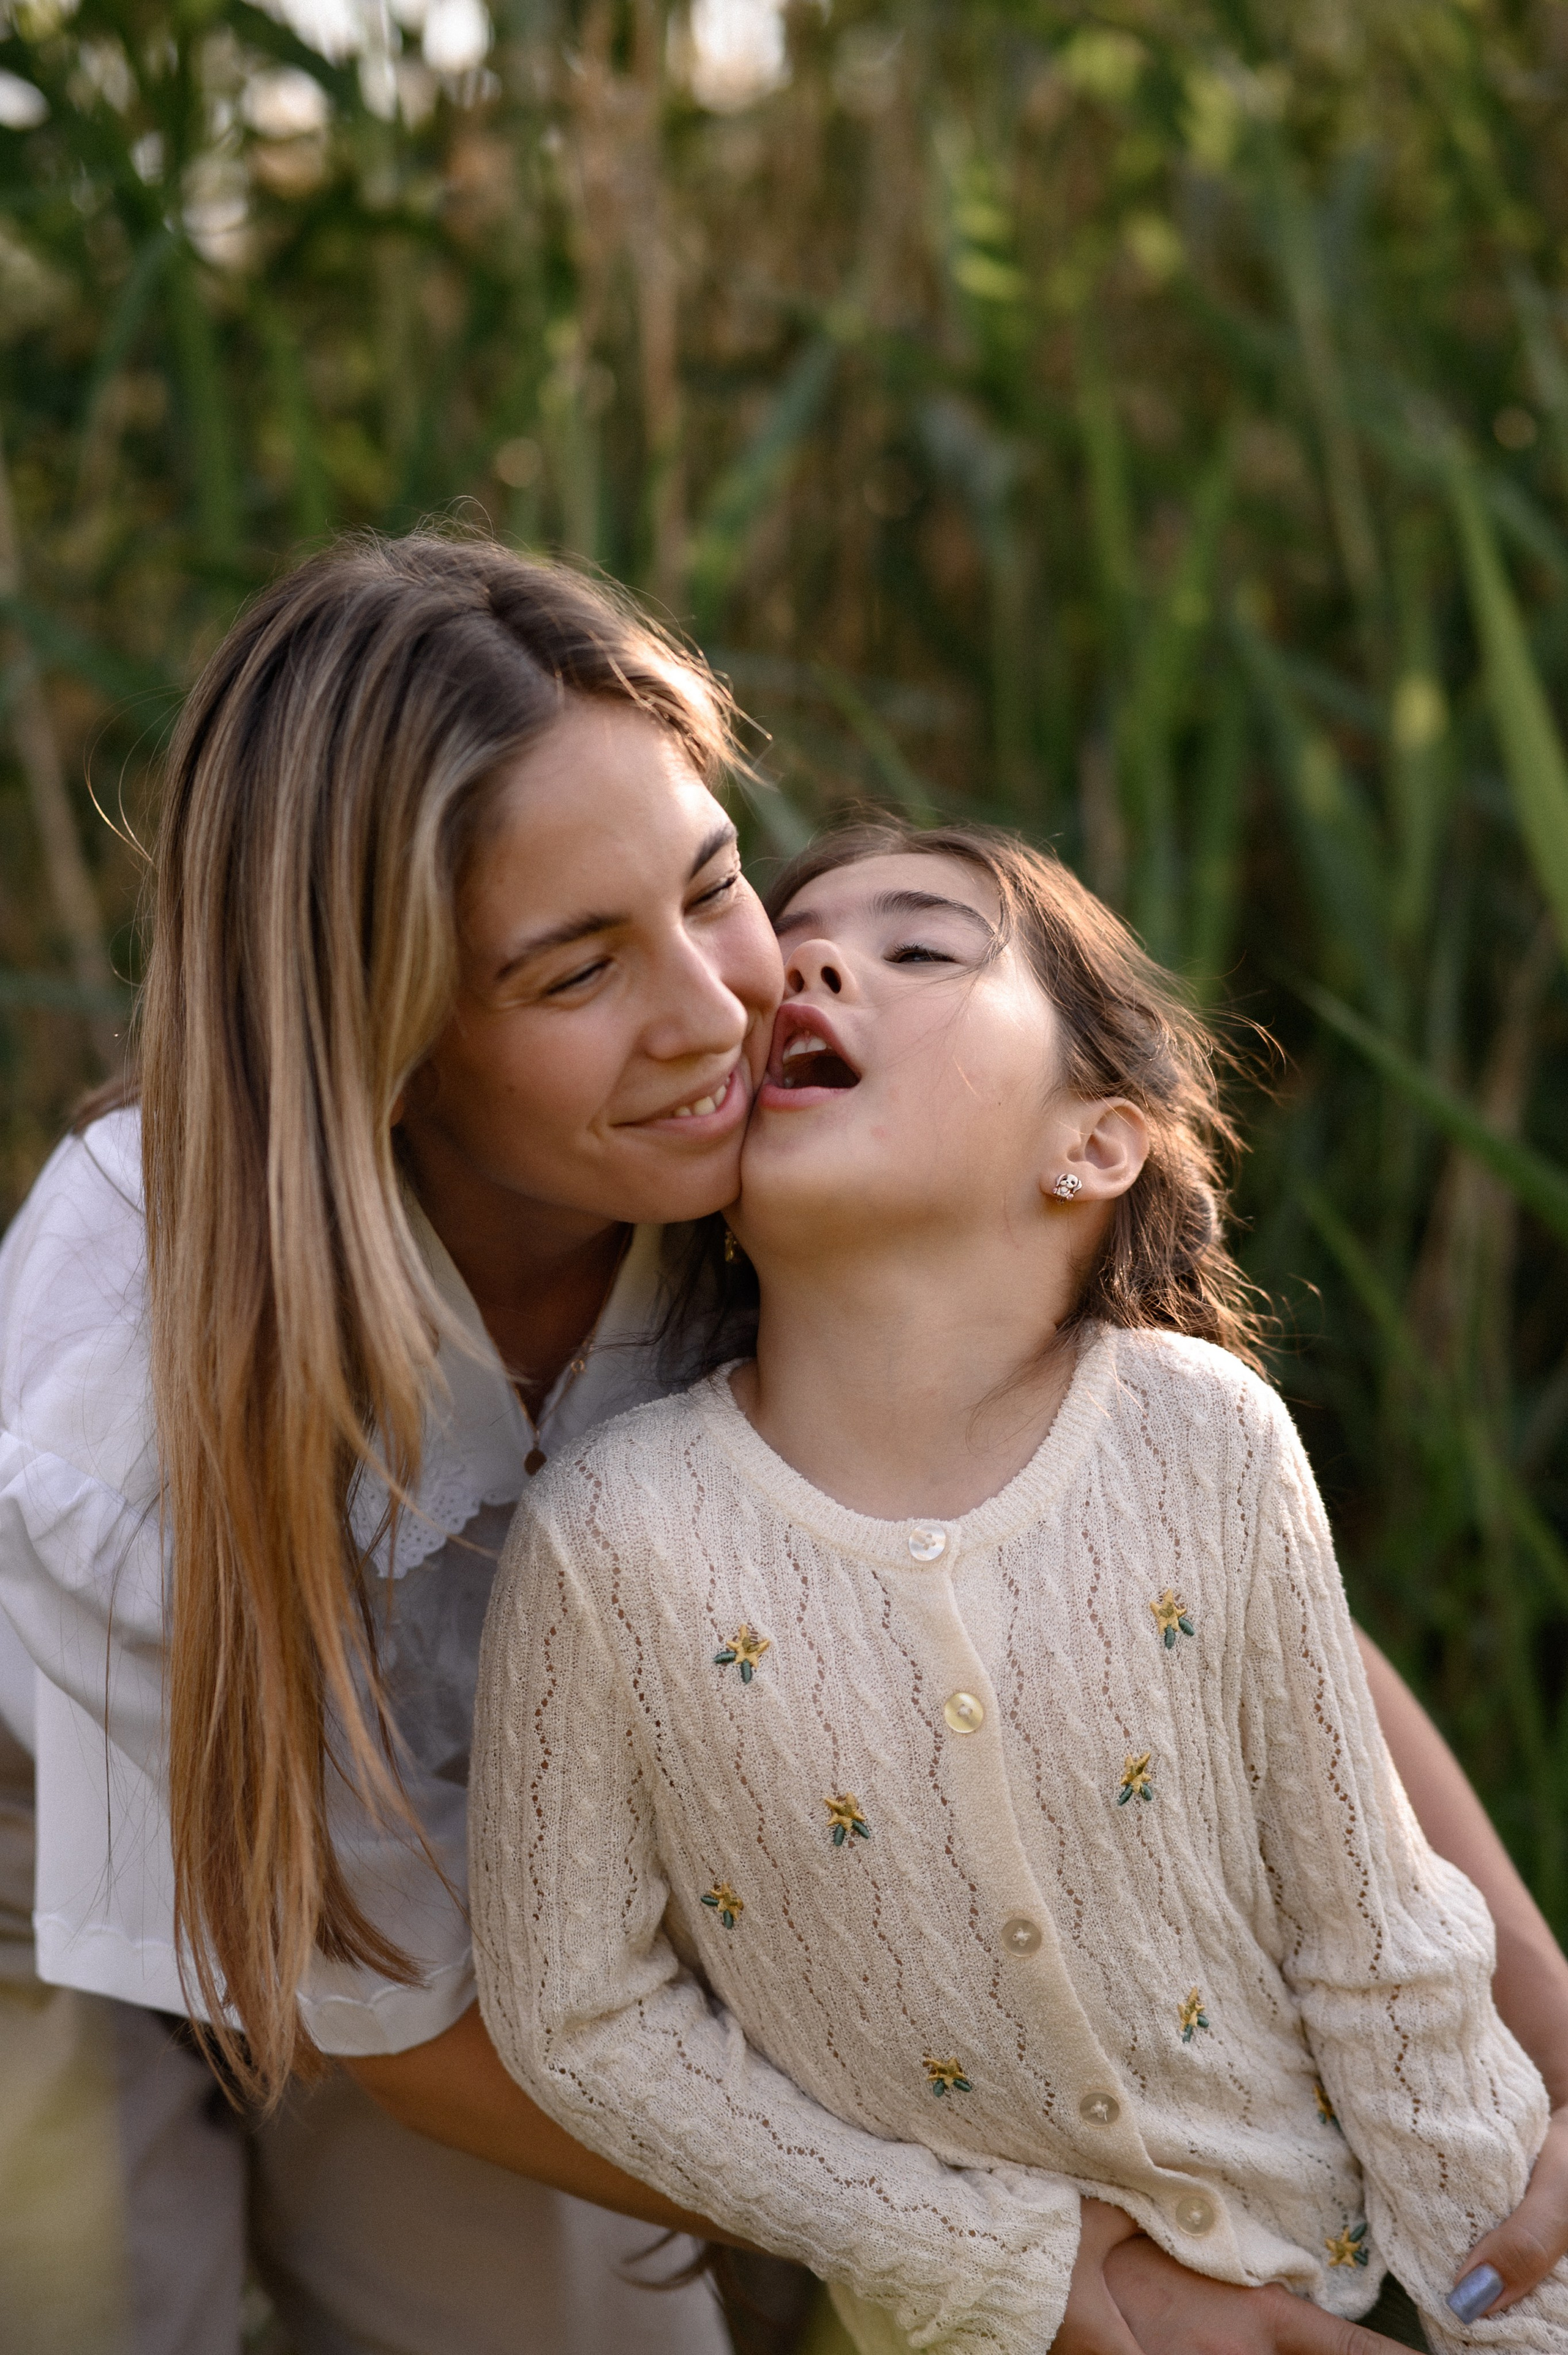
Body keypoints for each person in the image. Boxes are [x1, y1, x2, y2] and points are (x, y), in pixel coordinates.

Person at [0, 534, 1563, 2355]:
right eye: (574, 972)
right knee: (97, 2293)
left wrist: (1549, 2039)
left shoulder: (791, 1180)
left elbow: (1207, 1596)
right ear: (388, 1042)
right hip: (56, 1863)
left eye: (715, 883)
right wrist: (1049, 2272)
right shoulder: (121, 1407)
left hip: (479, 1912)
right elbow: (389, 2017)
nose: (721, 1010)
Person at [469, 818, 1568, 2354]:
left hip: (1348, 2297)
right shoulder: (607, 1537)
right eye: (795, 939)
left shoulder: (1203, 1437)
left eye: (919, 946)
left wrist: (1515, 2319)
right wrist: (983, 2262)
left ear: (1096, 1142)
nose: (808, 961)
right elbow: (577, 2014)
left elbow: (1376, 1937)